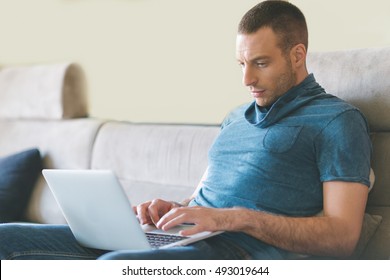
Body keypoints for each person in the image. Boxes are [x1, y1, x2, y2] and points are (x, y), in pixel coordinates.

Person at [0, 0, 371, 260]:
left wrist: (235, 217)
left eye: (260, 63)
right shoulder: (234, 118)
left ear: (297, 55)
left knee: (116, 268)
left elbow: (342, 237)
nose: (247, 79)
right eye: (240, 63)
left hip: (238, 253)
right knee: (5, 238)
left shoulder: (336, 121)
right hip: (187, 241)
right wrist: (172, 210)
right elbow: (201, 202)